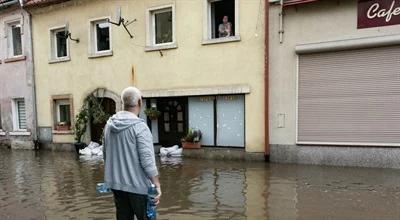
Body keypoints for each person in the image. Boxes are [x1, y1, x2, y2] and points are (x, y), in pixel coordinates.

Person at [103, 87, 161, 220]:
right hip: (139, 188)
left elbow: (105, 156)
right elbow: (147, 161)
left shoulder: (109, 126)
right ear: (140, 103)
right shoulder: (140, 127)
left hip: (117, 186)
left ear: (123, 103)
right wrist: (157, 185)